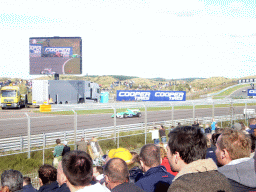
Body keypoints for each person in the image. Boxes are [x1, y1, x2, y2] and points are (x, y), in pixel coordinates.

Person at [167, 126, 232, 192]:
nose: (167, 156)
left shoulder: (180, 187)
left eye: (168, 150)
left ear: (176, 156)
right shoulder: (222, 179)